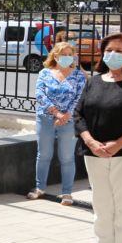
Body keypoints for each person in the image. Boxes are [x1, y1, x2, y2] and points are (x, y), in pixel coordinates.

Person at [74, 32, 122, 243]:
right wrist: (90, 141)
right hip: (94, 153)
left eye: (119, 51)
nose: (113, 55)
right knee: (102, 207)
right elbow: (78, 114)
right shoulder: (94, 82)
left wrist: (117, 144)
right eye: (109, 50)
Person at [29, 41, 86, 205]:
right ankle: (39, 188)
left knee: (67, 157)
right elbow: (39, 94)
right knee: (43, 155)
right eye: (63, 54)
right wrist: (56, 113)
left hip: (68, 121)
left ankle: (67, 193)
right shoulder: (45, 73)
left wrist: (66, 115)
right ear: (55, 55)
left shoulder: (78, 75)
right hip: (45, 118)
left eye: (70, 54)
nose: (67, 57)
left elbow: (79, 98)